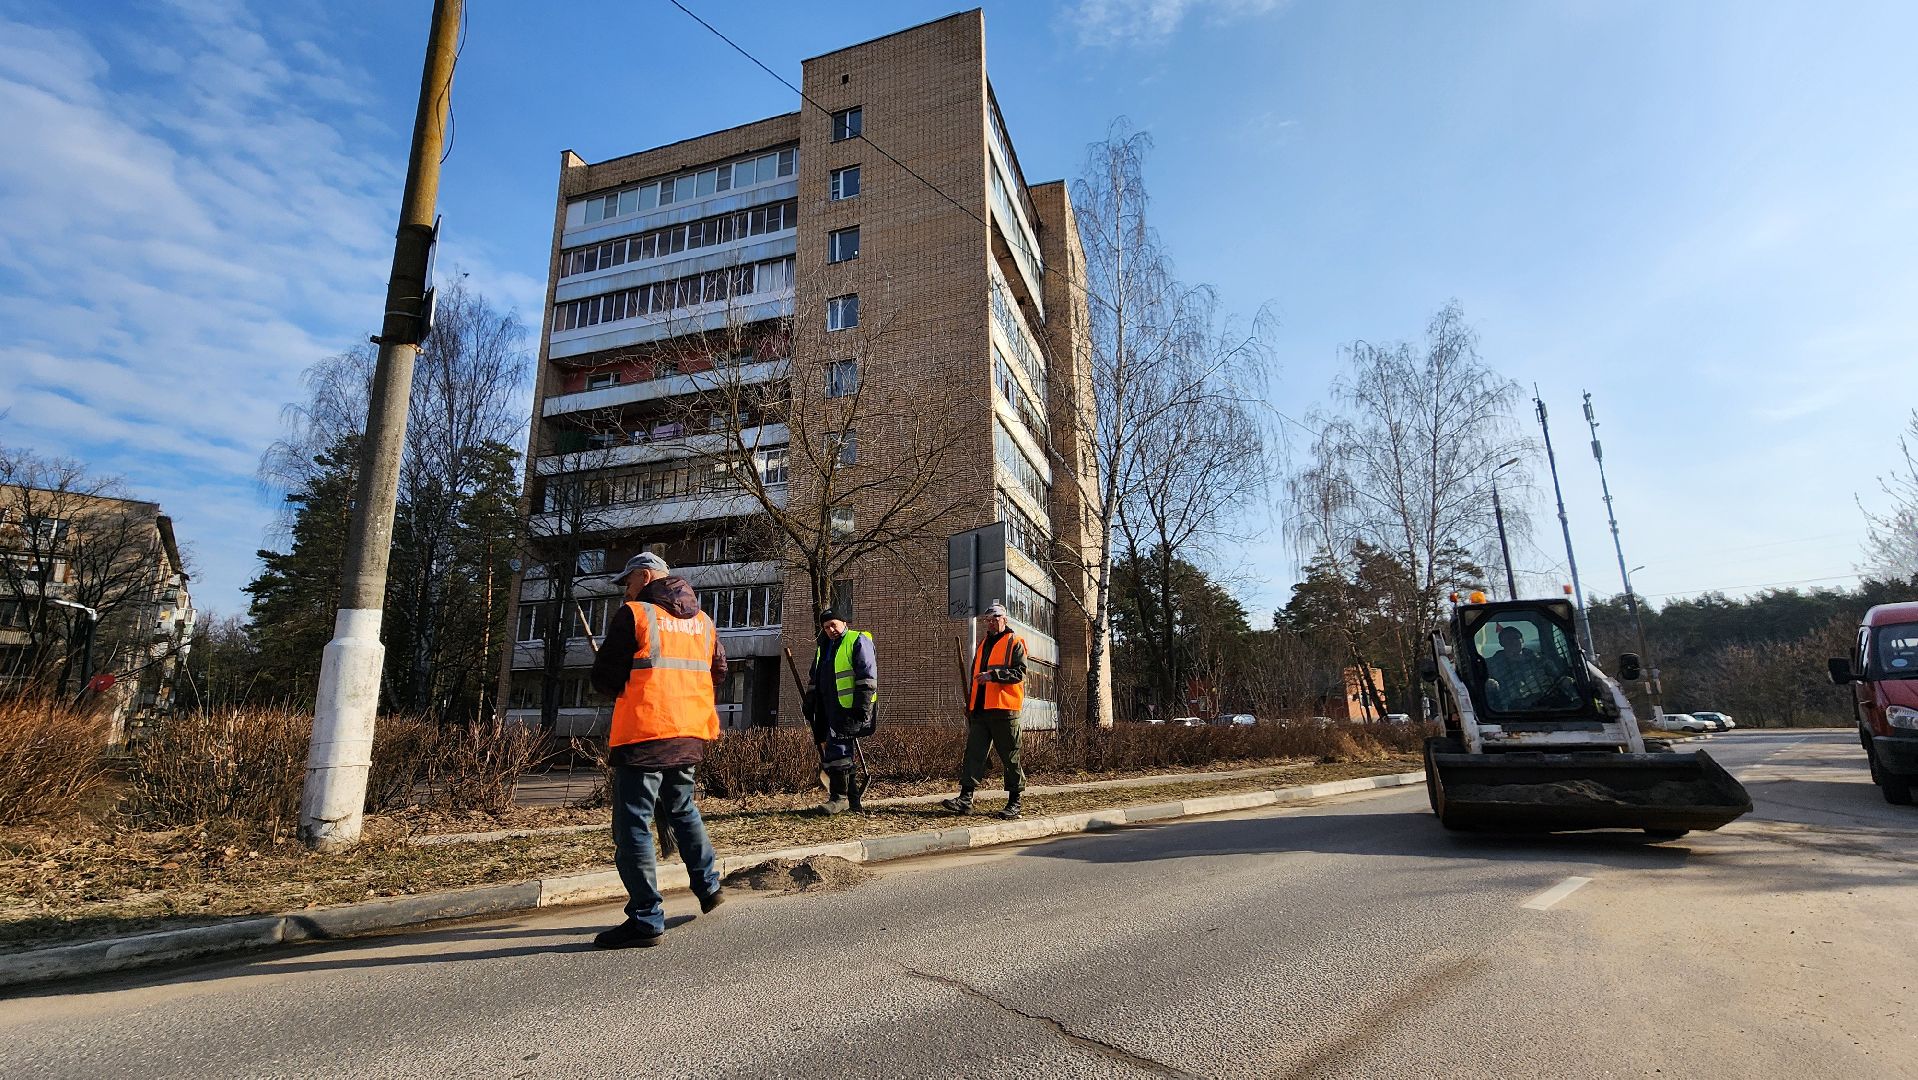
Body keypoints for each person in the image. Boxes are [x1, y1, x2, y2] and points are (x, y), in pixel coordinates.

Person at [587, 551, 728, 949]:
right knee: (683, 809)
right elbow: (719, 672)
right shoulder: (703, 621)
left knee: (633, 823)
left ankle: (646, 917)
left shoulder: (634, 615)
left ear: (646, 577)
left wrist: (609, 675)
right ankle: (709, 886)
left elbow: (605, 680)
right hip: (689, 731)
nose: (625, 589)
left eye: (627, 581)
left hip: (645, 732)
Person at [942, 601, 1027, 820]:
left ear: (1004, 619)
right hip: (980, 711)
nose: (991, 623)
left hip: (1004, 710)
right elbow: (976, 678)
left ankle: (1014, 803)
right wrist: (971, 705)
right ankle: (965, 799)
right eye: (987, 620)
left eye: (995, 619)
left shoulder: (1014, 642)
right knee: (973, 755)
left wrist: (994, 675)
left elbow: (1019, 673)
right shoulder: (982, 644)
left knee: (1010, 757)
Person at [806, 608, 877, 814]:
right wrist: (810, 701)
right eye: (826, 627)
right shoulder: (823, 647)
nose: (830, 630)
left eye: (833, 624)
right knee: (839, 750)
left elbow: (867, 676)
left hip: (849, 708)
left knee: (838, 751)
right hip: (829, 709)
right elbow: (815, 678)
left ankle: (839, 798)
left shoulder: (858, 640)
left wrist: (862, 706)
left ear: (844, 623)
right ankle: (853, 802)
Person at [1483, 624, 1570, 710]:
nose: (1513, 641)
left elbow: (1559, 678)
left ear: (1522, 640)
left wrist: (1567, 681)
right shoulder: (1491, 664)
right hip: (1511, 712)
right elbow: (1481, 682)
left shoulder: (1540, 660)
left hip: (1545, 705)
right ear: (1502, 643)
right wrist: (1488, 682)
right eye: (1508, 639)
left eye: (1516, 638)